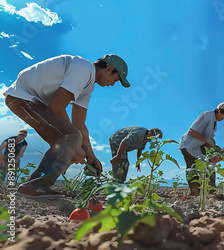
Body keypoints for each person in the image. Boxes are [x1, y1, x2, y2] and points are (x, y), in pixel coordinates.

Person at [4, 54, 130, 198]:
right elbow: (57, 105)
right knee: (72, 138)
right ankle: (35, 186)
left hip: (35, 104)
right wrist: (75, 141)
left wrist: (91, 156)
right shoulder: (84, 68)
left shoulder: (87, 89)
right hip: (23, 98)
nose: (114, 84)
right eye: (116, 79)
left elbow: (79, 124)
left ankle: (37, 186)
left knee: (70, 145)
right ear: (109, 69)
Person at [178, 102, 224, 195]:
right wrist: (206, 140)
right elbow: (192, 131)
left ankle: (210, 192)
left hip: (197, 147)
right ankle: (195, 194)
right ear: (219, 111)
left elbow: (207, 141)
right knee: (193, 170)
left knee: (209, 167)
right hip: (188, 145)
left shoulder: (214, 123)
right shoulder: (207, 116)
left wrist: (217, 148)